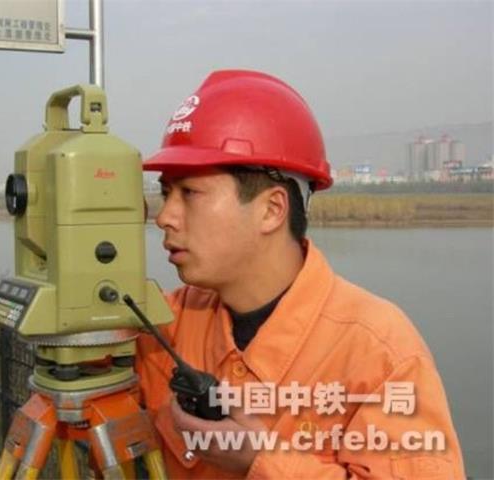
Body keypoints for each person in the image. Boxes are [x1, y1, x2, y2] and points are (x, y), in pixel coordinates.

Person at [136, 70, 465, 479]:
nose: (165, 217)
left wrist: (262, 461)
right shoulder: (164, 325)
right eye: (166, 192)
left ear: (272, 210)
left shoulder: (378, 353)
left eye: (189, 193)